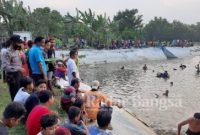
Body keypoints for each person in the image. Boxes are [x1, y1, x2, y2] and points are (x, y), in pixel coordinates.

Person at [1, 35, 24, 101]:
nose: (19, 45)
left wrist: (23, 56)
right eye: (18, 43)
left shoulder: (18, 51)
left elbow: (23, 62)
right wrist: (18, 69)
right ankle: (15, 108)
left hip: (19, 74)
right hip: (12, 76)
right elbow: (5, 67)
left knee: (21, 92)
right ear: (12, 42)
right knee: (15, 94)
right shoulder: (6, 52)